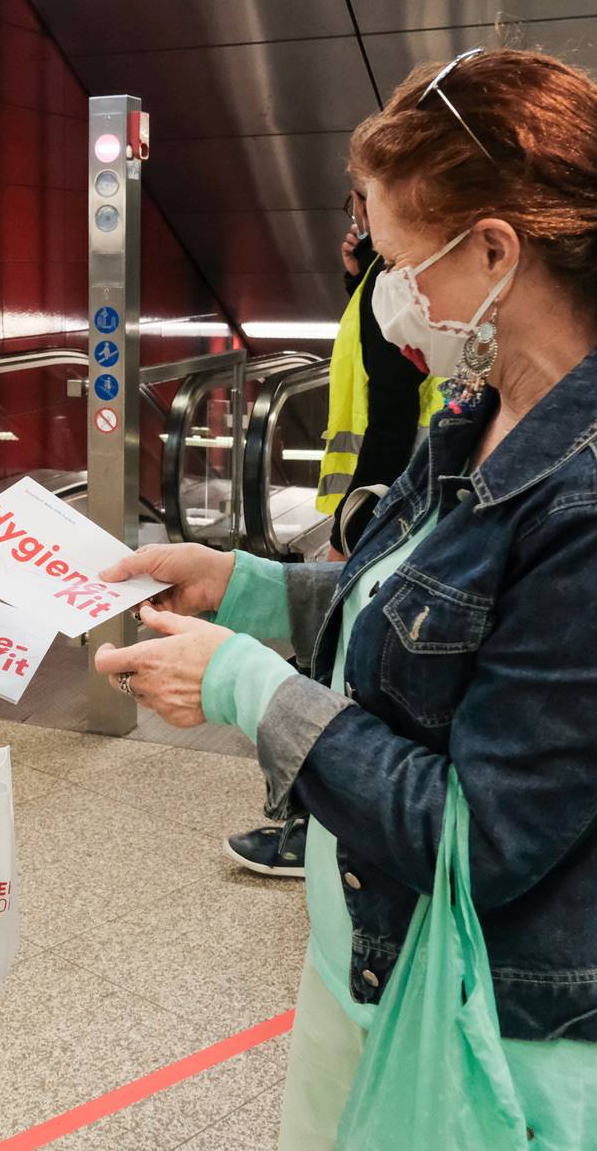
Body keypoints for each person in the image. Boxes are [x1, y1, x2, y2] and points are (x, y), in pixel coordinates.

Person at [95, 48, 597, 1150]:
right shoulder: (478, 413)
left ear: (496, 252)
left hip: (530, 1035)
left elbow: (486, 833)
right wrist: (251, 590)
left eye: (398, 258)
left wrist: (244, 688)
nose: (384, 294)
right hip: (402, 967)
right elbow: (420, 612)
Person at [224, 200, 439, 880]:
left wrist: (355, 527)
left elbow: (393, 408)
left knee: (350, 672)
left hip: (387, 500)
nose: (359, 217)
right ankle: (320, 823)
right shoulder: (381, 280)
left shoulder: (398, 285)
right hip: (392, 495)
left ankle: (315, 823)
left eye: (366, 202)